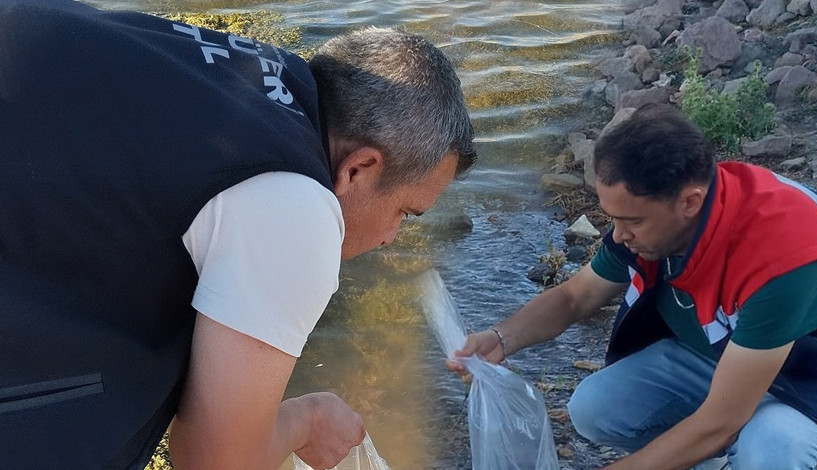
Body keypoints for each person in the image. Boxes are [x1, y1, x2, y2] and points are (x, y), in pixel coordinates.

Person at [0, 0, 476, 469]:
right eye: (404, 213)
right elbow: (215, 460)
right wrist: (308, 420)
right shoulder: (296, 205)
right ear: (358, 169)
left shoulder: (257, 73)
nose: (391, 236)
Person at [450, 103, 817, 470]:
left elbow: (721, 422)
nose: (618, 235)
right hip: (719, 357)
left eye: (632, 221)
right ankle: (707, 460)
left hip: (814, 377)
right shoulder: (656, 219)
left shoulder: (785, 254)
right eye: (613, 218)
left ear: (690, 202)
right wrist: (500, 337)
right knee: (595, 407)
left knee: (769, 452)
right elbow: (575, 296)